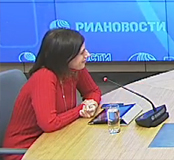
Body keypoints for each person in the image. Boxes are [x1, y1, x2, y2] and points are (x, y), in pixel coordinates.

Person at [3, 29, 102, 159]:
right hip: (26, 151)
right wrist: (81, 110)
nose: (87, 55)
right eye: (82, 52)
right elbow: (49, 123)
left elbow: (92, 91)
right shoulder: (44, 77)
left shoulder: (75, 69)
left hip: (56, 139)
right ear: (65, 58)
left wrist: (92, 104)